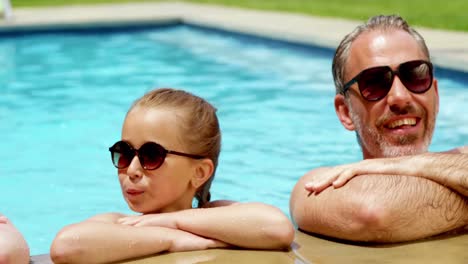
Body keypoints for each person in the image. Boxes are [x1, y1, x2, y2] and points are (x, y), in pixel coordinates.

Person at [51, 88, 294, 264]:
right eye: (124, 153)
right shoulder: (120, 224)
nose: (133, 169)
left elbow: (277, 228)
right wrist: (171, 240)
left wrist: (173, 220)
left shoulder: (214, 214)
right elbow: (67, 245)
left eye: (151, 155)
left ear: (199, 172)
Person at [290, 15, 468, 243]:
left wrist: (414, 163)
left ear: (436, 95)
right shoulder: (319, 185)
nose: (400, 98)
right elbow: (374, 214)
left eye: (415, 75)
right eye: (374, 82)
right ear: (345, 112)